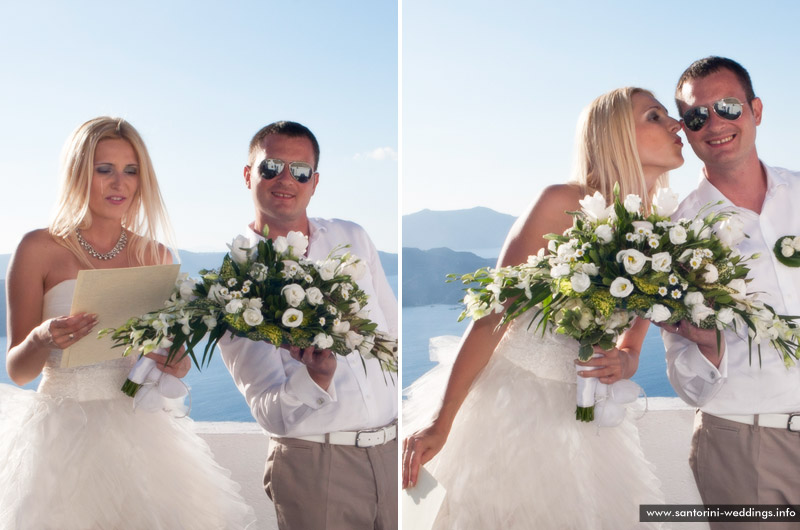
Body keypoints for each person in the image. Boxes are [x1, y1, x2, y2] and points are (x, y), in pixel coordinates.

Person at [402, 87, 684, 529]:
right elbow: (493, 315)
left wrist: (625, 361)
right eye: (655, 116)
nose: (676, 124)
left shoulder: (661, 231)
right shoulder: (560, 202)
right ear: (615, 136)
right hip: (513, 410)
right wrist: (441, 421)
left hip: (585, 424)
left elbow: (633, 338)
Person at [0, 117, 255, 529]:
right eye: (104, 170)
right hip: (60, 438)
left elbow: (164, 359)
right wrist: (42, 337)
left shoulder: (156, 255)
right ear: (78, 173)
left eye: (130, 171)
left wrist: (175, 363)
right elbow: (18, 371)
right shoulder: (37, 248)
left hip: (141, 436)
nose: (119, 183)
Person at [218, 121, 398, 530]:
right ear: (249, 174)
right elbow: (268, 411)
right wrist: (316, 379)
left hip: (391, 453)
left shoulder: (353, 237)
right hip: (317, 468)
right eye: (271, 167)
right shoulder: (235, 281)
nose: (286, 179)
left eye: (300, 171)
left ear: (314, 182)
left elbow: (393, 338)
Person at [659, 56, 800, 528]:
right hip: (746, 451)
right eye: (698, 115)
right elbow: (689, 385)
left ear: (756, 110)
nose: (714, 123)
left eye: (728, 106)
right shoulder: (674, 236)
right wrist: (705, 344)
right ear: (686, 128)